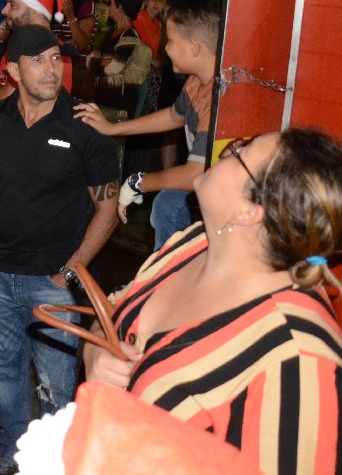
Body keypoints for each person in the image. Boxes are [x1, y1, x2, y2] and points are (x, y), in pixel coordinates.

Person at [83, 128, 342, 474]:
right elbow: (111, 312)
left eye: (240, 152)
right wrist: (94, 354)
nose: (226, 150)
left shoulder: (297, 359)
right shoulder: (194, 243)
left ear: (250, 213)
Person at [0, 25, 120, 475]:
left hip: (53, 282)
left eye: (56, 58)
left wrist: (71, 270)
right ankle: (14, 456)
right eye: (38, 60)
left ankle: (56, 463)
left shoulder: (84, 126)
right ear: (13, 71)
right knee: (5, 375)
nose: (51, 69)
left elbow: (109, 209)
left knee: (58, 383)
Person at [75, 0, 221, 250]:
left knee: (168, 205)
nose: (165, 48)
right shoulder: (198, 80)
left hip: (223, 202)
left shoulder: (217, 99)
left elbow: (194, 174)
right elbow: (174, 116)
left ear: (195, 48)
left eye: (172, 42)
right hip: (209, 193)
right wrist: (113, 128)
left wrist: (137, 183)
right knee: (168, 204)